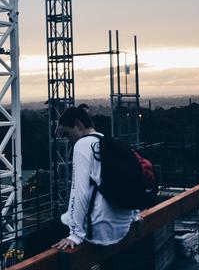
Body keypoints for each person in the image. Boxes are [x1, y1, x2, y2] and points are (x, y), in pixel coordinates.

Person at [52, 104, 138, 250]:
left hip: (99, 230)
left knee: (39, 241)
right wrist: (134, 215)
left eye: (67, 134)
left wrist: (75, 235)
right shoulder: (109, 142)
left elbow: (79, 192)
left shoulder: (83, 145)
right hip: (123, 225)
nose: (68, 140)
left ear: (78, 125)